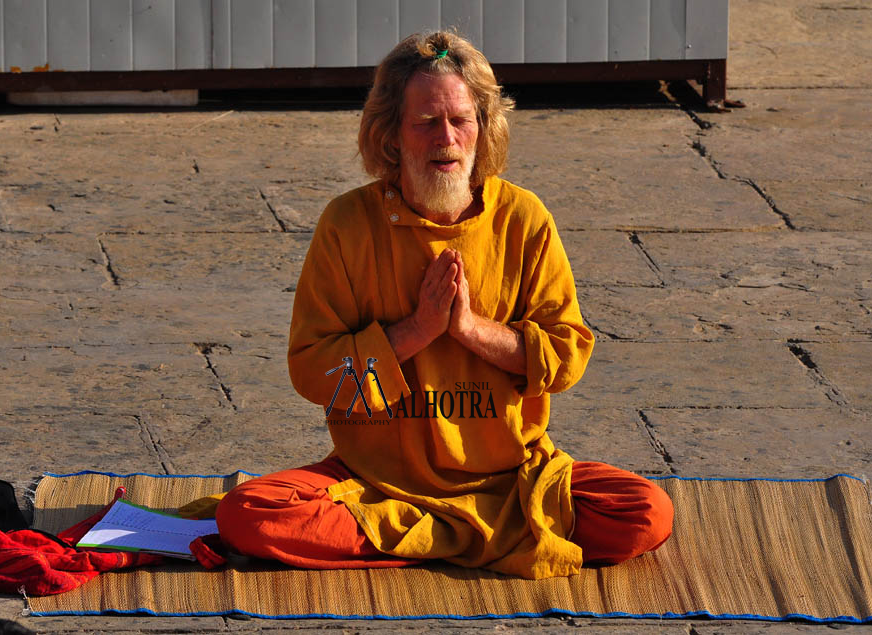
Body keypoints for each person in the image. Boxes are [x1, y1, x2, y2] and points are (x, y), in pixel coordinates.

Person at [215, 30, 673, 580]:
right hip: (376, 479)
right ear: (391, 135)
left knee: (646, 512)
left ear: (484, 126)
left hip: (510, 479)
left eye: (461, 120)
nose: (446, 139)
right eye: (426, 122)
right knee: (249, 516)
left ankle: (415, 539)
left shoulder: (523, 218)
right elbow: (312, 370)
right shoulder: (347, 224)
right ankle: (487, 540)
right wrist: (416, 330)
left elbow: (567, 353)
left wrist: (470, 329)